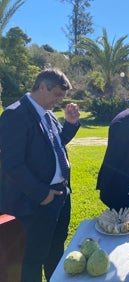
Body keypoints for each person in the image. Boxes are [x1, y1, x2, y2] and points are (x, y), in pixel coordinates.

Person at [0, 68, 80, 282]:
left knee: (55, 251)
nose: (59, 101)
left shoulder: (47, 113)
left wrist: (70, 125)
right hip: (36, 202)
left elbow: (56, 145)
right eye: (56, 95)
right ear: (42, 86)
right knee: (32, 259)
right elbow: (12, 165)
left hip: (59, 197)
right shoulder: (15, 114)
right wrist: (42, 193)